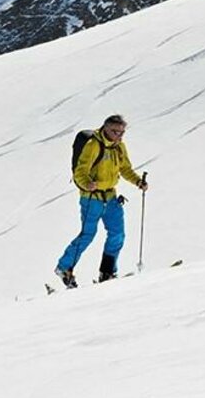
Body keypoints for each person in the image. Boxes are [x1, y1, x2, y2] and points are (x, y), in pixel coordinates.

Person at [52, 113, 147, 287]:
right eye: (116, 132)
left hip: (110, 196)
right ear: (106, 128)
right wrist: (86, 184)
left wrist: (137, 181)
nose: (119, 135)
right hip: (92, 199)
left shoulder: (119, 147)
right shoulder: (93, 145)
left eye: (122, 132)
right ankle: (64, 268)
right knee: (88, 234)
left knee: (117, 234)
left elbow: (125, 168)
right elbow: (80, 171)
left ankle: (108, 271)